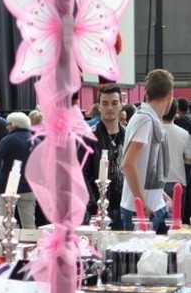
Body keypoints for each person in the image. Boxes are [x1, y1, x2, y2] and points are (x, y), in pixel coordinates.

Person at [121, 69, 174, 233]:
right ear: (170, 95)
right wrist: (142, 204)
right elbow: (128, 164)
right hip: (141, 210)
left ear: (147, 93)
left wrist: (162, 196)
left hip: (153, 205)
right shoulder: (145, 120)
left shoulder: (148, 119)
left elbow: (144, 166)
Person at [81, 84, 126, 229]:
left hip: (124, 207)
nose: (110, 108)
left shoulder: (128, 135)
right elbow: (81, 173)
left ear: (121, 105)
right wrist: (93, 203)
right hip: (96, 209)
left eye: (114, 103)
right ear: (99, 107)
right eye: (105, 103)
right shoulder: (89, 137)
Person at [0, 112, 38, 229]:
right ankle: (30, 241)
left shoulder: (7, 141)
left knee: (4, 224)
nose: (7, 127)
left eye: (8, 124)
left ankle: (4, 240)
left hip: (8, 188)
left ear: (15, 125)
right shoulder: (37, 141)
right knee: (29, 224)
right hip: (29, 188)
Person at [162, 99, 191, 216]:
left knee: (158, 220)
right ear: (176, 113)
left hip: (157, 182)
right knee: (176, 219)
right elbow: (189, 158)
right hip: (178, 180)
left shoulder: (153, 131)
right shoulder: (184, 134)